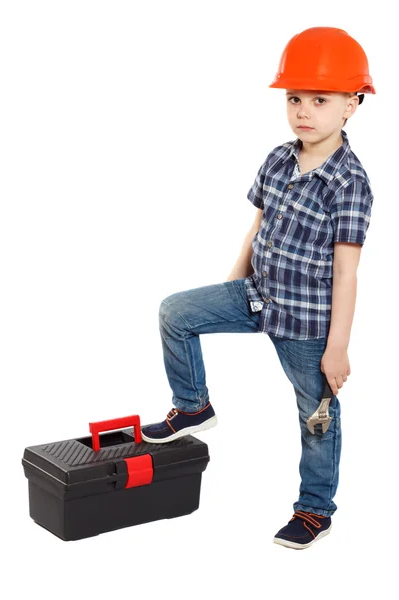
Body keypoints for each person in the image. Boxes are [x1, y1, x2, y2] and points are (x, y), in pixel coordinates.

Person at [141, 27, 375, 549]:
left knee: (316, 416)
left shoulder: (350, 183)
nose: (303, 111)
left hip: (306, 322)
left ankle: (315, 510)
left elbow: (347, 271)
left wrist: (337, 346)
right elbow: (258, 229)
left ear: (351, 105)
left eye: (320, 99)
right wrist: (226, 292)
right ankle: (193, 405)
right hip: (254, 294)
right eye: (295, 98)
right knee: (175, 313)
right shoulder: (276, 158)